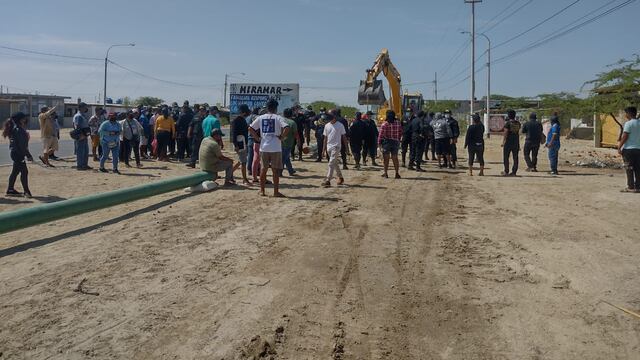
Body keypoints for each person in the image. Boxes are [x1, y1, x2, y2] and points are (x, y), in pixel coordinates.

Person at [248, 98, 290, 197]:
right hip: (275, 147)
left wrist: (257, 138)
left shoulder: (261, 117)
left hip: (264, 147)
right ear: (276, 108)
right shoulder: (278, 117)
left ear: (267, 107)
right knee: (275, 170)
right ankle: (276, 192)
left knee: (263, 169)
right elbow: (287, 128)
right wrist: (282, 137)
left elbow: (250, 128)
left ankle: (262, 191)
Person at [3, 112, 33, 197]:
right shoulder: (19, 130)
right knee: (24, 172)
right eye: (24, 118)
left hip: (16, 153)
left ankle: (10, 189)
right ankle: (26, 192)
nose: (26, 119)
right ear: (20, 120)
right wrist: (28, 155)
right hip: (18, 154)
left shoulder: (16, 128)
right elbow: (22, 146)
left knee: (15, 172)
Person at [321, 113, 348, 187]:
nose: (329, 120)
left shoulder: (340, 125)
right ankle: (341, 177)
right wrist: (323, 150)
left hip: (336, 147)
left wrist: (347, 148)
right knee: (334, 163)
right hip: (328, 147)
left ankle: (328, 180)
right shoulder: (327, 125)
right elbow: (325, 138)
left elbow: (344, 137)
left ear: (334, 117)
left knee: (331, 163)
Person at [618, 106, 640, 192]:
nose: (625, 115)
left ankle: (630, 187)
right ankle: (638, 187)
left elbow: (625, 136)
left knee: (629, 168)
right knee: (638, 168)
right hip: (639, 150)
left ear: (629, 114)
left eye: (626, 113)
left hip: (629, 150)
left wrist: (619, 146)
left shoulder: (628, 123)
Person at [230, 104, 251, 184]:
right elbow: (234, 134)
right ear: (244, 112)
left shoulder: (243, 120)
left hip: (243, 143)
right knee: (243, 162)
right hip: (239, 144)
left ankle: (229, 174)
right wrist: (236, 145)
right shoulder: (236, 120)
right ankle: (244, 179)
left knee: (240, 161)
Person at [378, 110, 402, 179]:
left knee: (386, 159)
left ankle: (386, 173)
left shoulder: (384, 124)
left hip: (387, 142)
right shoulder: (398, 123)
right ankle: (397, 173)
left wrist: (379, 144)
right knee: (395, 158)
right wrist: (398, 139)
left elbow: (380, 135)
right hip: (395, 142)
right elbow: (400, 132)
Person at [501, 109, 521, 176]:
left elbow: (506, 133)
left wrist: (503, 141)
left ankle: (506, 171)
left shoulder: (508, 123)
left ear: (508, 116)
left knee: (506, 157)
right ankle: (514, 172)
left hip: (508, 142)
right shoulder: (518, 123)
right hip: (516, 142)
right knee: (515, 157)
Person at [281, 108, 300, 176]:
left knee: (286, 157)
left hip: (279, 142)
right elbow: (295, 134)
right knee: (284, 157)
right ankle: (280, 172)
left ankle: (290, 170)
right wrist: (298, 141)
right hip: (288, 143)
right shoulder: (292, 122)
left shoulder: (280, 120)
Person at [73, 102, 92, 171]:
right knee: (80, 151)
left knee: (85, 151)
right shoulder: (78, 116)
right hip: (81, 135)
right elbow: (77, 126)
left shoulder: (83, 115)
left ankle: (84, 164)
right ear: (80, 107)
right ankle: (80, 165)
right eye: (84, 107)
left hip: (84, 135)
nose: (86, 108)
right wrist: (81, 135)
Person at [246, 107, 260, 175]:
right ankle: (256, 170)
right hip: (255, 138)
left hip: (249, 138)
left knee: (250, 155)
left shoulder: (248, 118)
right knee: (256, 156)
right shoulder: (257, 117)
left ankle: (249, 169)